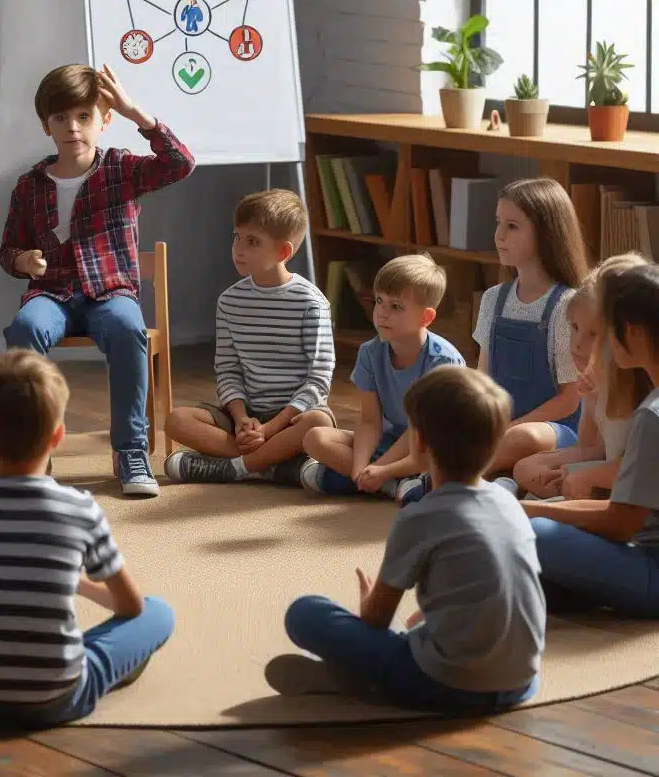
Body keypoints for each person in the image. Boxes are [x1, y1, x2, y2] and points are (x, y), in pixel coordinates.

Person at [0, 350, 174, 726]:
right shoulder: (81, 509)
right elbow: (131, 608)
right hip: (54, 700)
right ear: (58, 435)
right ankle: (111, 668)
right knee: (158, 613)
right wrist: (80, 585)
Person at [281, 366, 544, 714]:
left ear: (417, 442)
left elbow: (376, 619)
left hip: (449, 686)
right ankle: (369, 673)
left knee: (304, 613)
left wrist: (367, 601)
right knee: (421, 624)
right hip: (523, 681)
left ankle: (361, 677)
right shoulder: (510, 504)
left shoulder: (420, 516)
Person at [0, 63, 194, 497]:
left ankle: (131, 451)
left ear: (104, 120)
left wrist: (134, 112)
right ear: (46, 124)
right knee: (26, 329)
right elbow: (7, 251)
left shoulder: (122, 170)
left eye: (84, 116)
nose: (72, 127)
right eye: (61, 118)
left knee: (128, 328)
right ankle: (32, 454)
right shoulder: (29, 185)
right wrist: (23, 261)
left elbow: (181, 163)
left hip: (111, 292)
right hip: (52, 293)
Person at [398, 177, 588, 506]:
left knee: (522, 437)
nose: (499, 235)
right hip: (497, 425)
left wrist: (504, 428)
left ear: (546, 233)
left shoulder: (566, 305)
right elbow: (482, 378)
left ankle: (442, 482)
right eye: (498, 223)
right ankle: (500, 482)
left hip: (554, 430)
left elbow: (569, 401)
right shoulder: (492, 299)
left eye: (512, 226)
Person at [163, 190, 335, 486]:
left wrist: (269, 429)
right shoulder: (230, 302)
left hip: (291, 418)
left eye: (252, 241)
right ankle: (270, 466)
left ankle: (235, 467)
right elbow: (228, 369)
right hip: (244, 417)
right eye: (237, 237)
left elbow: (319, 378)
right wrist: (242, 418)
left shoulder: (310, 303)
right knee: (176, 420)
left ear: (283, 252)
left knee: (318, 424)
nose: (238, 249)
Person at [524, 262, 659, 617]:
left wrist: (529, 510)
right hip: (637, 543)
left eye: (605, 331)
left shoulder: (651, 416)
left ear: (633, 333)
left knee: (537, 534)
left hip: (650, 565)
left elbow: (621, 522)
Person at [300, 254, 465, 498]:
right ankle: (392, 486)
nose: (382, 313)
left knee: (440, 458)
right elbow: (369, 422)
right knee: (315, 438)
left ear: (426, 317)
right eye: (379, 300)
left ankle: (376, 479)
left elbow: (418, 432)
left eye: (396, 306)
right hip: (390, 441)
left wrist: (379, 467)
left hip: (429, 443)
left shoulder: (442, 362)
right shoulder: (370, 352)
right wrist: (360, 467)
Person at [509, 255, 652, 501]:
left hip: (625, 491)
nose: (578, 344)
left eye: (593, 335)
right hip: (604, 472)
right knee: (525, 469)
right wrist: (590, 397)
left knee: (537, 500)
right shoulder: (596, 378)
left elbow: (637, 470)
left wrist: (584, 476)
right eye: (574, 328)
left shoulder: (645, 394)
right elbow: (589, 447)